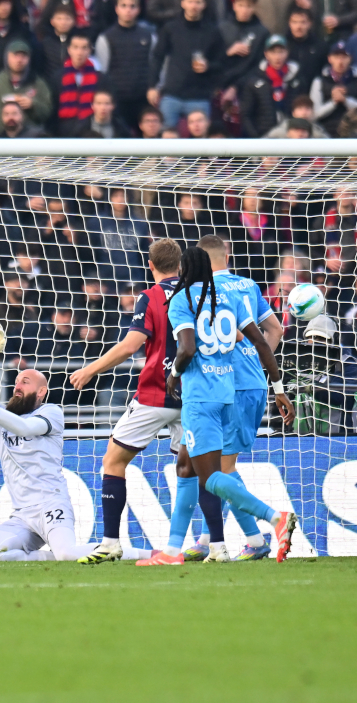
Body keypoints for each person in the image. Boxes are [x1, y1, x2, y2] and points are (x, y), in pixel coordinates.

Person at [139, 245, 298, 565]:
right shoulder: (230, 299)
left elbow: (185, 348)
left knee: (209, 475)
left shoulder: (181, 300)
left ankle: (274, 518)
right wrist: (278, 388)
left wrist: (173, 374)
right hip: (228, 392)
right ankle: (173, 551)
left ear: (183, 270)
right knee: (185, 465)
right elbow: (259, 343)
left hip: (200, 398)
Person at [71, 239, 183, 564]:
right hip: (193, 395)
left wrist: (90, 369)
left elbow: (131, 344)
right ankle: (208, 543)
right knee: (192, 471)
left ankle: (110, 543)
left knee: (113, 461)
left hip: (154, 393)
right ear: (180, 265)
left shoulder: (149, 297)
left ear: (151, 265)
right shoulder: (198, 294)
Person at [0, 324, 102, 563]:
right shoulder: (2, 418)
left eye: (25, 382)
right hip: (22, 516)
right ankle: (47, 558)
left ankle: (134, 552)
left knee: (67, 553)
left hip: (51, 505)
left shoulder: (51, 412)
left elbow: (24, 428)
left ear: (41, 391)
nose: (17, 386)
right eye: (17, 381)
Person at [176, 235, 284, 561]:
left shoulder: (202, 294)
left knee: (218, 469)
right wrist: (257, 361)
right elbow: (275, 330)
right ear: (228, 254)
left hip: (223, 386)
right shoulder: (248, 285)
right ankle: (211, 536)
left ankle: (254, 536)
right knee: (210, 465)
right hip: (253, 383)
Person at [149, 0, 224, 129]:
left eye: (198, 2)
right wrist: (152, 86)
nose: (194, 6)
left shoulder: (213, 31)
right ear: (182, 3)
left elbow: (222, 63)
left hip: (200, 96)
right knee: (166, 139)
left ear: (204, 5)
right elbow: (157, 57)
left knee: (201, 145)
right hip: (172, 94)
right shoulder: (170, 28)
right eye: (190, 2)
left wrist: (209, 66)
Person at [95, 0, 157, 127]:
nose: (128, 10)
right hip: (117, 99)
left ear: (138, 10)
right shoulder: (106, 38)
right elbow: (102, 71)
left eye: (132, 6)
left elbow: (154, 65)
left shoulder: (149, 36)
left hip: (143, 98)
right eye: (123, 6)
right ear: (116, 9)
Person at [0, 40, 53, 135]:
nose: (19, 60)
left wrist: (33, 105)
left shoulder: (38, 83)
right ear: (7, 57)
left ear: (29, 58)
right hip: (1, 140)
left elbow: (48, 112)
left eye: (23, 56)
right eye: (15, 55)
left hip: (30, 140)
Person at [240, 34, 306, 137]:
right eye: (273, 52)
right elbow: (246, 115)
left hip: (292, 137)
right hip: (263, 136)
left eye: (281, 52)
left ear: (287, 52)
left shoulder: (297, 79)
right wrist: (256, 138)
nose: (277, 57)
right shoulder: (254, 81)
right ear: (266, 54)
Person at [220, 0, 270, 94]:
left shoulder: (262, 33)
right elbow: (212, 60)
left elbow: (260, 65)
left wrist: (236, 87)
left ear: (255, 8)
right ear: (234, 6)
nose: (244, 10)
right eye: (241, 5)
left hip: (248, 87)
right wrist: (228, 52)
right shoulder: (222, 29)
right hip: (221, 85)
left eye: (249, 6)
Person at [56, 33, 104, 134]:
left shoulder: (101, 78)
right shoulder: (58, 77)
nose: (79, 52)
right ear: (69, 50)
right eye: (75, 47)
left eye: (84, 48)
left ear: (89, 51)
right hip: (64, 130)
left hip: (90, 130)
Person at [312, 39, 357, 134]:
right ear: (329, 59)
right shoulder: (319, 81)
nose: (340, 61)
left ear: (350, 58)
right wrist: (333, 102)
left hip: (353, 131)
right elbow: (314, 113)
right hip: (324, 131)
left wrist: (345, 100)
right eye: (336, 57)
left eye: (344, 57)